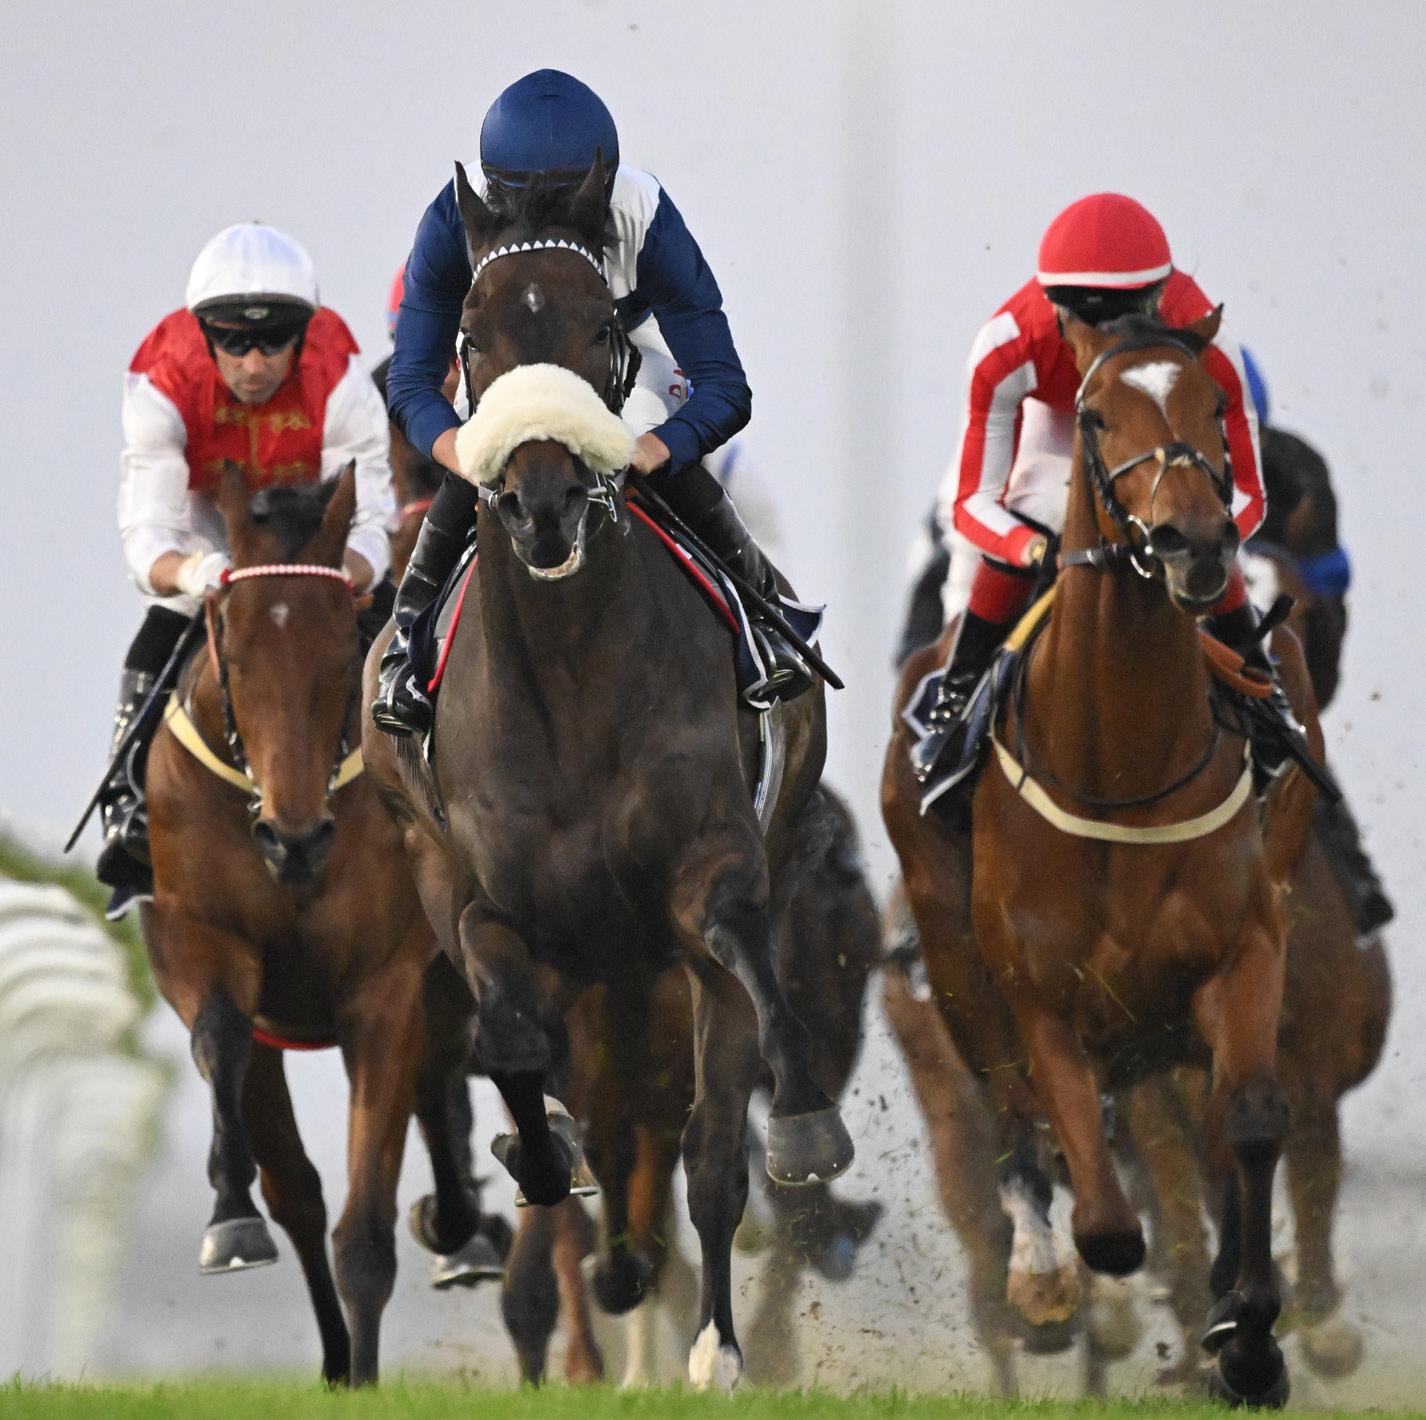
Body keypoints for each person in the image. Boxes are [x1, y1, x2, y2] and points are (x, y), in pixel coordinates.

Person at [373, 68, 807, 737]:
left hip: (623, 344)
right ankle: (407, 644)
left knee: (642, 431)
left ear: (603, 187)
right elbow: (410, 379)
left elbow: (724, 383)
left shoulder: (646, 213)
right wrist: (459, 451)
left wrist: (658, 448)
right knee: (483, 447)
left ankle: (765, 619)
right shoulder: (451, 217)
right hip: (515, 349)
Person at [911, 193, 1306, 788]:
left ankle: (1263, 694)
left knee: (1199, 518)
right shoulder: (1009, 342)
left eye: (1129, 312)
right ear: (1053, 305)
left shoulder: (1205, 336)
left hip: (1155, 420)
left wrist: (1200, 539)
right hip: (1057, 420)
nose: (1110, 332)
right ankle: (959, 698)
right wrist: (1032, 549)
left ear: (1162, 297)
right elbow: (971, 504)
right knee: (1036, 503)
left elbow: (1248, 493)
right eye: (1087, 318)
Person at [97, 222, 396, 915]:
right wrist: (196, 573)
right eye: (233, 343)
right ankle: (127, 802)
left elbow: (372, 519)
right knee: (163, 626)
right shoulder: (162, 384)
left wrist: (344, 574)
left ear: (304, 335)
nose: (254, 365)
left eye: (274, 341)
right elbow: (148, 536)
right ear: (205, 337)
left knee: (394, 627)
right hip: (211, 527)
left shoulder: (341, 379)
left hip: (311, 532)